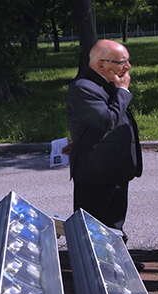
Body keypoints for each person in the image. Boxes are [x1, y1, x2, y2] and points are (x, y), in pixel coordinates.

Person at [66, 39, 143, 241]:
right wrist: (123, 91)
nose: (128, 67)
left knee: (115, 224)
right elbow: (108, 120)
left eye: (128, 61)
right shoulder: (83, 87)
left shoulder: (107, 82)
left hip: (116, 167)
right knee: (93, 227)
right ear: (102, 64)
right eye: (121, 62)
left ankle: (118, 264)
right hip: (96, 172)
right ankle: (92, 268)